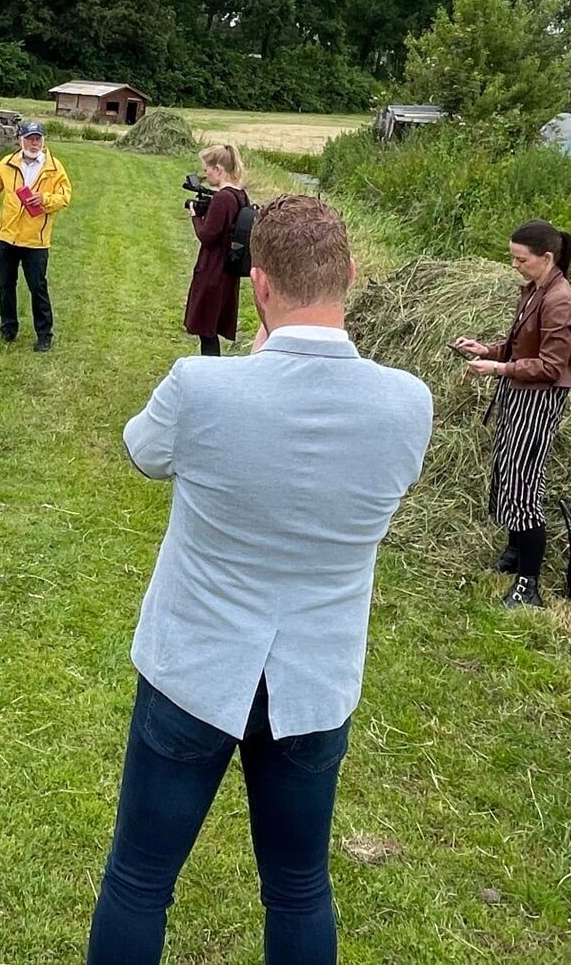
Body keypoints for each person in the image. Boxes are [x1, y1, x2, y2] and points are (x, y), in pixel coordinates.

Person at [88, 196, 434, 963]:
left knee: (141, 879)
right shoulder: (409, 403)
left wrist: (253, 368)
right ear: (350, 274)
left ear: (260, 288)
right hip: (314, 679)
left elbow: (141, 452)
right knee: (299, 884)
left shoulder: (201, 388)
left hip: (193, 670)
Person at [452, 219, 571, 608]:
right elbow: (521, 345)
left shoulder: (561, 301)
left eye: (520, 259)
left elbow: (550, 365)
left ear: (546, 258)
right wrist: (488, 350)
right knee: (506, 471)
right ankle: (514, 553)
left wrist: (498, 370)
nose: (514, 265)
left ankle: (529, 584)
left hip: (538, 401)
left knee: (523, 486)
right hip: (518, 393)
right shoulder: (535, 289)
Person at [0, 120, 73, 352]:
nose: (34, 143)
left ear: (43, 141)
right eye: (29, 138)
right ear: (20, 140)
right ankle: (8, 329)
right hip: (6, 237)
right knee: (6, 285)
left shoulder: (54, 167)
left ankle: (44, 335)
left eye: (37, 138)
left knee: (37, 287)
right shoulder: (8, 163)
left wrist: (45, 199)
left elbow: (65, 196)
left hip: (35, 241)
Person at [183, 144, 249, 356]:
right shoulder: (241, 195)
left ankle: (211, 374)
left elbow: (207, 236)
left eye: (207, 169)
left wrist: (196, 217)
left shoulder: (222, 199)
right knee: (211, 328)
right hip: (228, 271)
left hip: (213, 271)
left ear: (218, 169)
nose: (205, 174)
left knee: (207, 330)